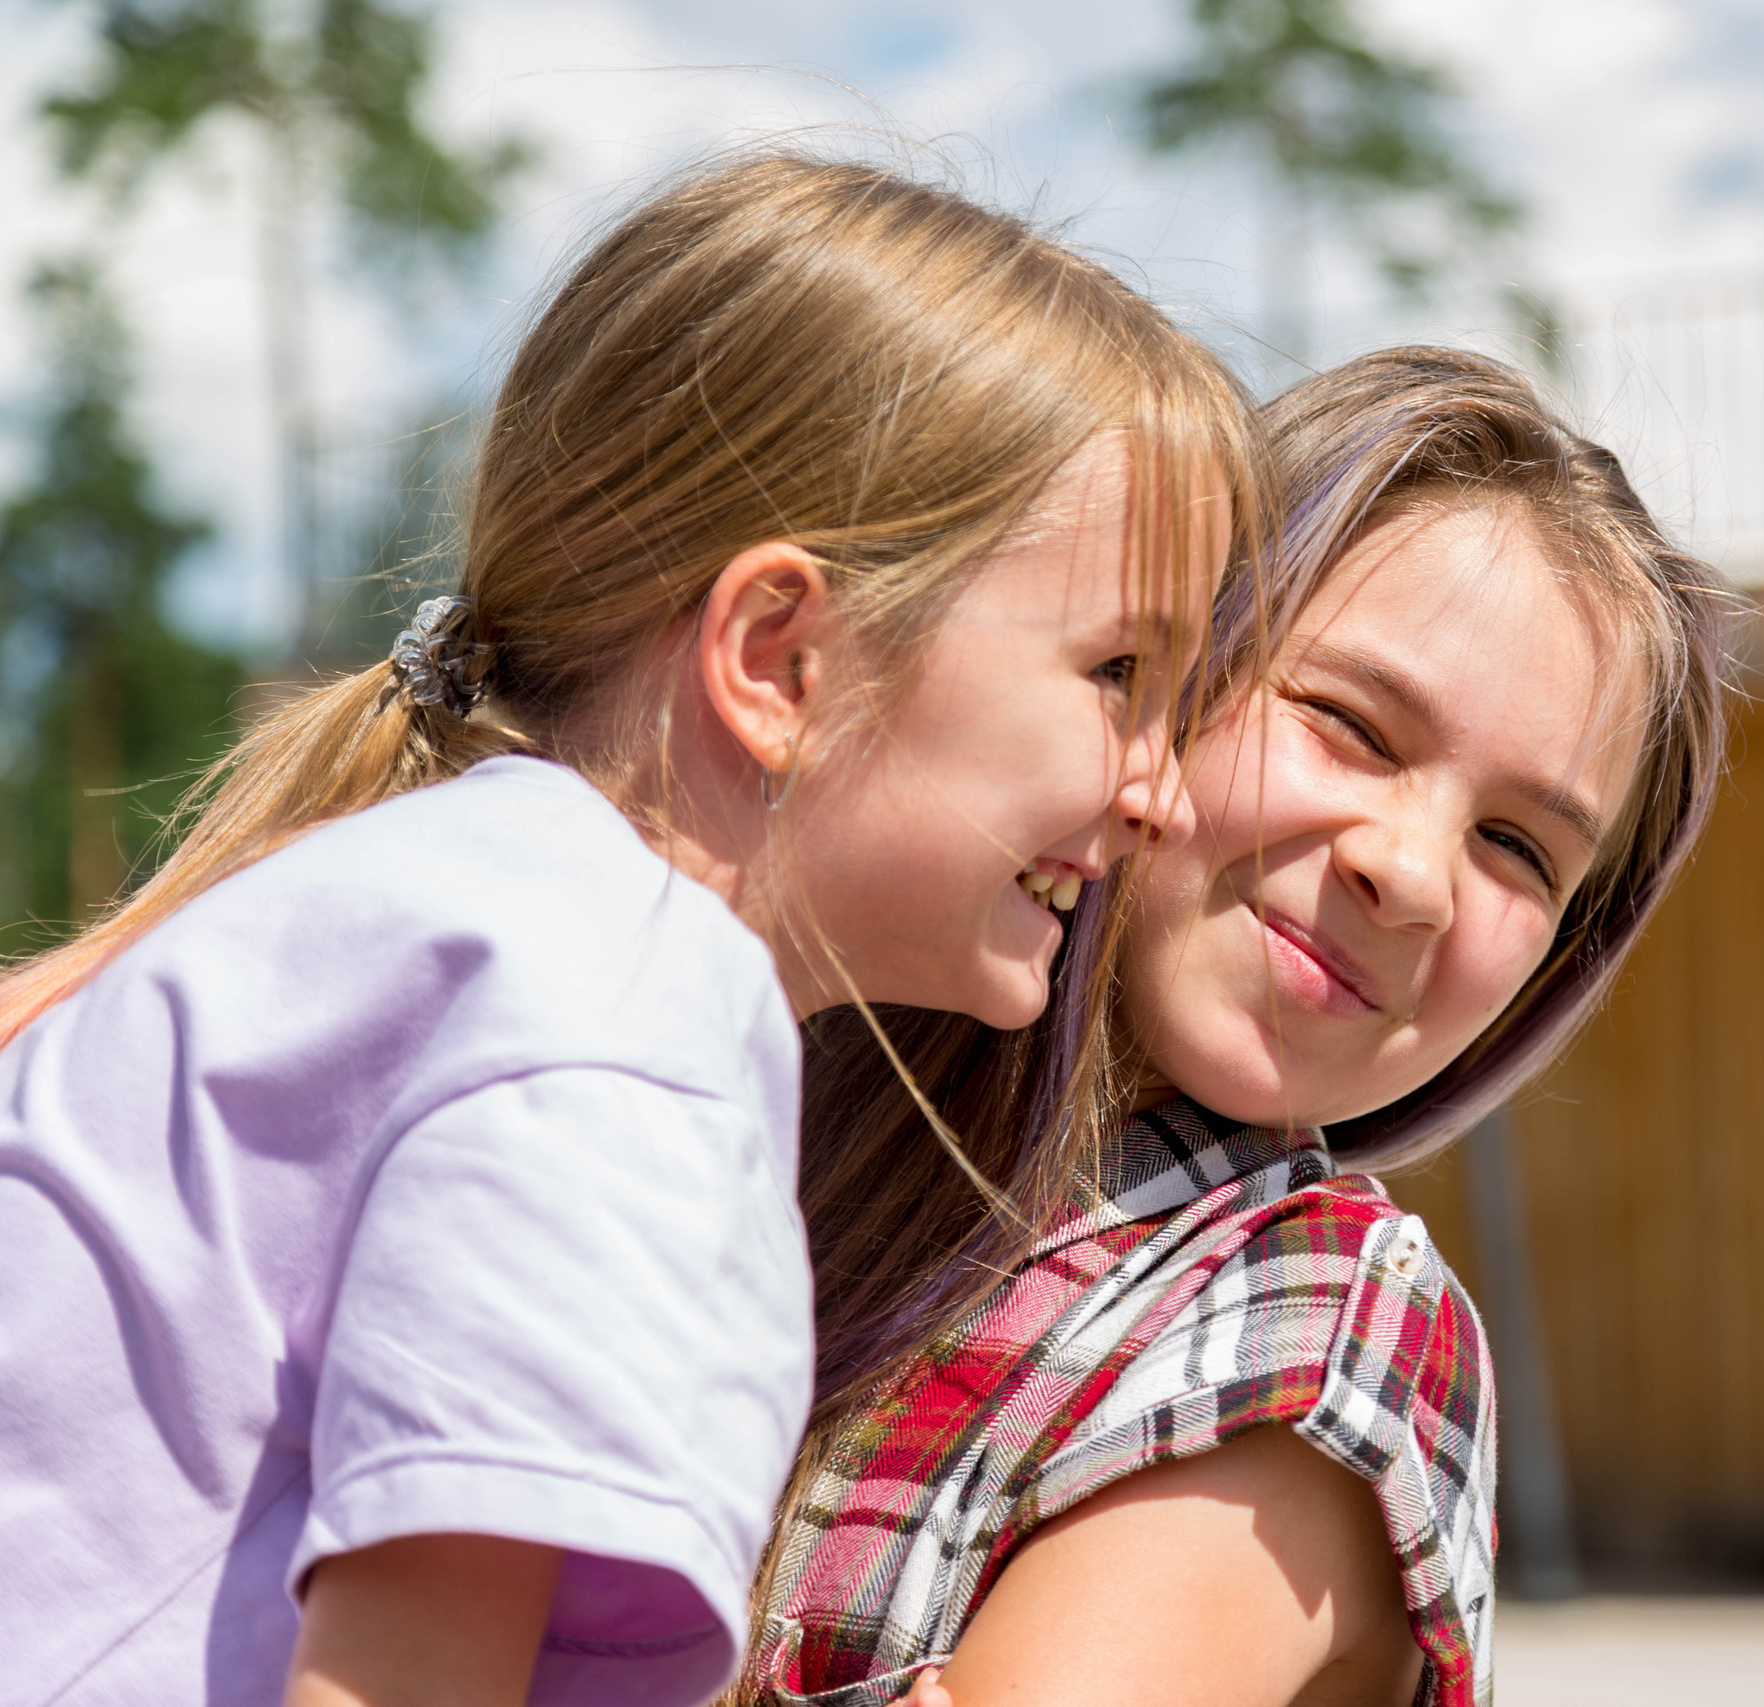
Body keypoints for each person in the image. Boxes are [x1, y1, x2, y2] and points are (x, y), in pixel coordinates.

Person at [0, 152, 1256, 1707]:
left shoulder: (441, 922)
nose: (1163, 795)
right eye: (1119, 675)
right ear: (779, 659)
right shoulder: (617, 1014)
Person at [736, 347, 1741, 1706]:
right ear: (1155, 664)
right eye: (1351, 725)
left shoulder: (1327, 1316)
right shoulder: (760, 1085)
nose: (1415, 871)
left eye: (1517, 846)